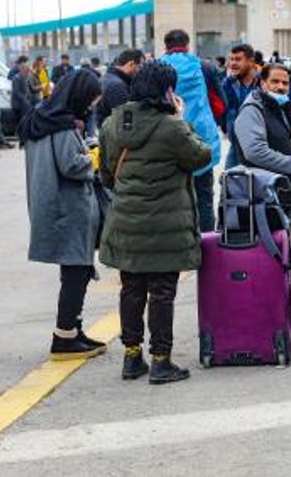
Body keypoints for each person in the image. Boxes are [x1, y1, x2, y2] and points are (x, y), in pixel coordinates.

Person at [98, 61, 213, 384]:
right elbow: (201, 157)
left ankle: (132, 358)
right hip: (166, 228)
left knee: (131, 289)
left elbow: (107, 175)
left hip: (125, 225)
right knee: (161, 292)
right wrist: (180, 118)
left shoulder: (112, 123)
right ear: (168, 90)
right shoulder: (171, 126)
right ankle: (161, 361)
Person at [21, 68, 105, 360]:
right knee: (77, 271)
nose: (92, 105)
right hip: (69, 207)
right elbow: (72, 164)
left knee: (73, 269)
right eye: (92, 99)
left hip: (49, 203)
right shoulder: (62, 125)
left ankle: (72, 330)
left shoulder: (39, 117)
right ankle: (65, 337)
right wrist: (95, 156)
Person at [158, 29, 222, 233]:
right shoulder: (205, 66)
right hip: (202, 137)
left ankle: (180, 246)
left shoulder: (157, 67)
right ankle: (207, 247)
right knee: (204, 196)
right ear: (187, 44)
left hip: (168, 137)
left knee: (173, 198)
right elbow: (220, 102)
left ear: (165, 45)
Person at [233, 62, 291, 222]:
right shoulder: (253, 109)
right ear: (263, 83)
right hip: (263, 196)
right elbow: (255, 151)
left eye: (285, 83)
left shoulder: (282, 106)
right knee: (270, 244)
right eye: (275, 82)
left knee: (283, 242)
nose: (281, 87)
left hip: (285, 191)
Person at [222, 43, 261, 168]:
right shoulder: (228, 83)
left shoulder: (264, 82)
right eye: (231, 59)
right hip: (236, 144)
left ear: (250, 61)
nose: (233, 63)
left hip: (259, 146)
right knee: (227, 182)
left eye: (238, 59)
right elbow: (226, 109)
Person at [95, 49, 144, 129]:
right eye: (139, 66)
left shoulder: (108, 78)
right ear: (131, 64)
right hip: (113, 135)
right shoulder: (117, 86)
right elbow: (126, 119)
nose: (140, 70)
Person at [11, 57, 34, 131]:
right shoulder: (16, 78)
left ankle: (24, 137)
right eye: (27, 70)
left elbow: (27, 90)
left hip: (25, 103)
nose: (28, 72)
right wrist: (25, 100)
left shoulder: (25, 77)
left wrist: (29, 98)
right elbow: (16, 92)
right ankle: (21, 138)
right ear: (22, 69)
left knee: (25, 121)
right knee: (21, 122)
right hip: (19, 105)